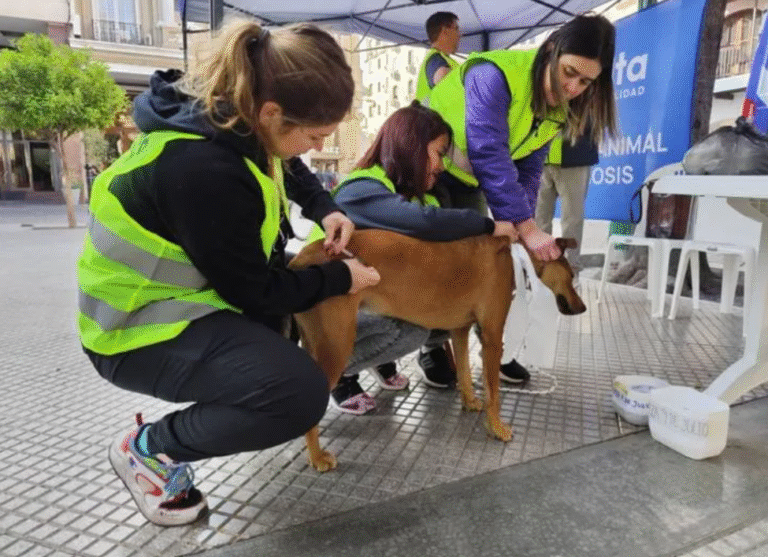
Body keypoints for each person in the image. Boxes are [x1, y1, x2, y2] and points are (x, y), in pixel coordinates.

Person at [76, 21, 381, 526]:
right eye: (314, 136)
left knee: (276, 347)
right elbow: (258, 291)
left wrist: (324, 208)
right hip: (131, 329)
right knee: (298, 394)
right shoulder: (203, 169)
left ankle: (177, 433)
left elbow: (287, 164)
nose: (313, 147)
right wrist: (343, 279)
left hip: (180, 299)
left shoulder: (232, 121)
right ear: (272, 113)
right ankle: (149, 450)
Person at [425, 14, 617, 383]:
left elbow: (529, 168)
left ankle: (495, 345)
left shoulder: (558, 105)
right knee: (439, 264)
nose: (573, 87)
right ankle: (431, 348)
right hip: (428, 168)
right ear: (551, 50)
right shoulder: (494, 74)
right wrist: (527, 225)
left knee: (488, 266)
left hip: (470, 177)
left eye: (585, 82)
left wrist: (521, 223)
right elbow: (488, 150)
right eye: (569, 72)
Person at [307, 103, 517, 413]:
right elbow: (424, 222)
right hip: (322, 296)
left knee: (442, 316)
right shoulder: (361, 187)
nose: (441, 166)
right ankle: (332, 373)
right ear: (412, 148)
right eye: (438, 153)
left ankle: (375, 360)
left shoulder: (416, 192)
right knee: (406, 332)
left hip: (369, 292)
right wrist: (487, 225)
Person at [534, 127, 599, 273]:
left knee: (572, 219)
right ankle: (540, 268)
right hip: (540, 157)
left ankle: (570, 271)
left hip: (574, 156)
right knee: (539, 218)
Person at [415, 11, 461, 101]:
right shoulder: (435, 59)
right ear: (445, 32)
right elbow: (441, 75)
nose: (460, 34)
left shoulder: (438, 58)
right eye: (456, 29)